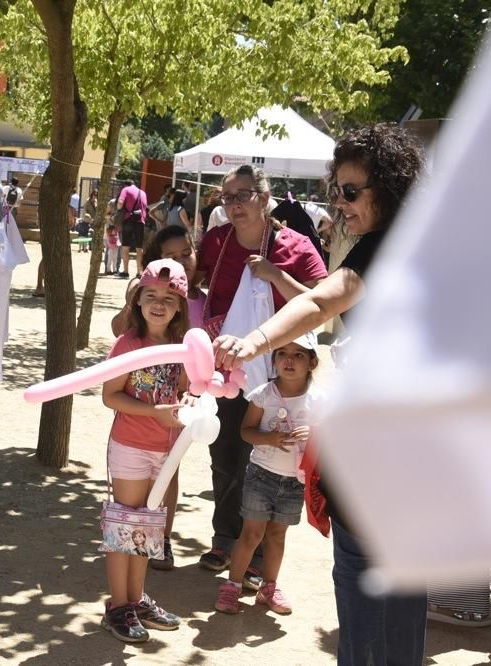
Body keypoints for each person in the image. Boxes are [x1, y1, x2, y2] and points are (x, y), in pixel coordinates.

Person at [212, 124, 427, 665]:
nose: (341, 203)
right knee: (399, 619)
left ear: (390, 189)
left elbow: (323, 300)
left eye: (351, 191)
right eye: (338, 190)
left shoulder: (386, 248)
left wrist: (256, 340)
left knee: (367, 625)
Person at [196, 163, 327, 590]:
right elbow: (196, 285)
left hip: (283, 374)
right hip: (230, 370)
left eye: (243, 195)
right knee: (226, 452)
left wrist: (276, 275)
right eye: (227, 197)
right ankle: (225, 538)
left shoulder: (297, 245)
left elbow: (322, 304)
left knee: (274, 463)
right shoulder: (215, 242)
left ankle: (254, 557)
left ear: (265, 198)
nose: (234, 204)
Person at [100, 259, 190, 642]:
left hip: (165, 452)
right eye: (150, 295)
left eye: (169, 298)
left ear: (180, 307)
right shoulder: (128, 343)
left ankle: (135, 600)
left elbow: (188, 389)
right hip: (131, 448)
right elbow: (110, 396)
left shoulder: (182, 346)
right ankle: (117, 606)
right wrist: (154, 412)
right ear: (137, 300)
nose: (158, 303)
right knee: (125, 527)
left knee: (147, 531)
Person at [110, 225, 204, 571]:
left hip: (168, 434)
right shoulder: (133, 337)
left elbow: (189, 382)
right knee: (128, 516)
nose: (179, 261)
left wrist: (193, 397)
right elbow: (112, 391)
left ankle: (154, 551)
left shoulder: (191, 314)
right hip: (132, 438)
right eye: (170, 255)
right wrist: (134, 298)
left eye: (185, 253)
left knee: (156, 503)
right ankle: (123, 598)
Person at [215, 333, 322, 615]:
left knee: (277, 536)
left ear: (312, 362)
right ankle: (232, 587)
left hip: (294, 483)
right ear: (273, 360)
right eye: (282, 353)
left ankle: (269, 587)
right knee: (251, 535)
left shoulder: (319, 400)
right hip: (261, 476)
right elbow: (245, 431)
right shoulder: (264, 393)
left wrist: (314, 434)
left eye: (299, 354)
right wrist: (270, 439)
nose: (289, 360)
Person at [115, 179, 148, 279]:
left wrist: (119, 209)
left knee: (126, 247)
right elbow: (145, 207)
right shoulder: (143, 192)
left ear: (126, 185)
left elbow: (120, 203)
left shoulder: (125, 190)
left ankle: (125, 271)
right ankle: (139, 272)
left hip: (128, 220)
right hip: (140, 221)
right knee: (139, 248)